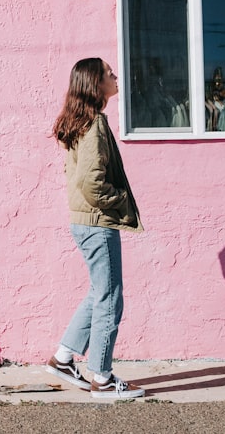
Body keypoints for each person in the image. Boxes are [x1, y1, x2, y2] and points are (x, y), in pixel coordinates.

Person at [45, 58, 145, 399]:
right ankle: (101, 378)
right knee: (110, 298)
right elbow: (91, 183)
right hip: (96, 223)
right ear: (95, 84)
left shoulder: (81, 122)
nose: (115, 75)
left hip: (84, 221)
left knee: (98, 292)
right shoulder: (95, 123)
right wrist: (119, 198)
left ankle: (62, 359)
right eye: (108, 73)